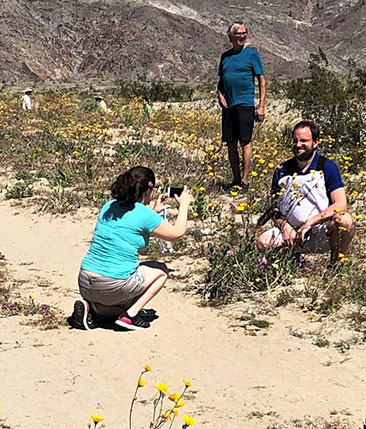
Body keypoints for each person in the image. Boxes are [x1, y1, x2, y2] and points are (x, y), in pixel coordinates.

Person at [72, 166, 192, 331]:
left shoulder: (109, 206)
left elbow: (128, 228)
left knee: (114, 306)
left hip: (85, 280)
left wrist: (152, 212)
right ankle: (131, 316)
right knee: (161, 271)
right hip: (114, 283)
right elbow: (177, 234)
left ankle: (91, 308)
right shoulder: (144, 215)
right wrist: (184, 205)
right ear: (147, 190)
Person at [257, 121, 354, 265]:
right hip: (291, 232)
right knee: (262, 243)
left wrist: (310, 222)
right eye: (295, 140)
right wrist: (285, 227)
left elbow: (340, 204)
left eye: (304, 141)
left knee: (344, 220)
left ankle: (336, 264)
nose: (298, 145)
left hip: (321, 230)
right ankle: (290, 261)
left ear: (315, 143)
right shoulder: (281, 170)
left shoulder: (327, 167)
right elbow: (275, 211)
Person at [217, 21, 266, 190]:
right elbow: (221, 80)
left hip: (245, 104)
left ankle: (245, 181)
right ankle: (235, 180)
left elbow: (261, 80)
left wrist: (261, 106)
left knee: (245, 141)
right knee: (230, 142)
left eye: (245, 33)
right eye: (239, 34)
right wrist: (219, 94)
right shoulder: (225, 57)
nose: (242, 37)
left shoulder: (252, 54)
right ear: (231, 37)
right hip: (228, 106)